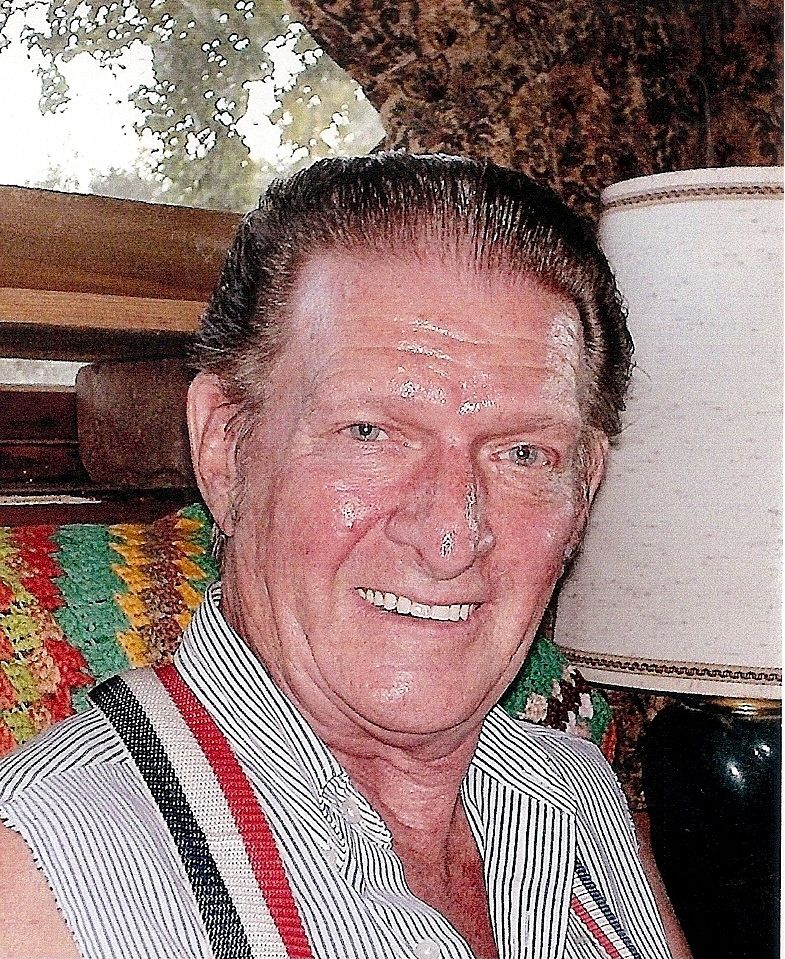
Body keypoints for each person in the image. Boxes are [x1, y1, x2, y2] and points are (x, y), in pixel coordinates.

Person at [0, 154, 690, 959]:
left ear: (585, 489)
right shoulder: (48, 873)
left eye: (522, 454)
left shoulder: (580, 796)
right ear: (225, 448)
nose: (449, 536)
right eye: (370, 433)